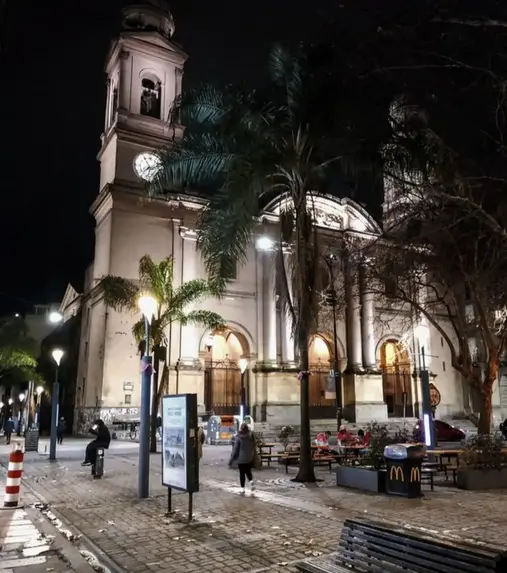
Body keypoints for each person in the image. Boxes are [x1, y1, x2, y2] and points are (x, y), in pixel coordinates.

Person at [229, 422, 256, 493]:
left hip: (241, 458)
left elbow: (235, 449)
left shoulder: (239, 437)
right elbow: (254, 444)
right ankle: (251, 482)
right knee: (248, 471)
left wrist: (231, 460)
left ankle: (242, 488)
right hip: (249, 457)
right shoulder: (251, 436)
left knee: (242, 473)